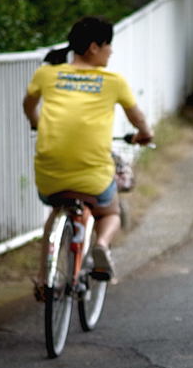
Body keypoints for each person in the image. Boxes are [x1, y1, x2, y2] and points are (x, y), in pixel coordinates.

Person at [23, 16, 153, 296]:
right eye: (108, 45)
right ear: (94, 47)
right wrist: (145, 135)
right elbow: (138, 118)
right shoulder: (112, 82)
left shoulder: (47, 74)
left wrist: (36, 122)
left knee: (57, 209)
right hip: (92, 177)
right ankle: (102, 246)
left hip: (50, 176)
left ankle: (46, 278)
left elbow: (28, 105)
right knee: (111, 210)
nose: (111, 51)